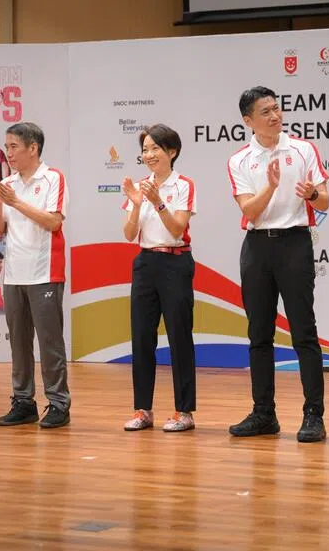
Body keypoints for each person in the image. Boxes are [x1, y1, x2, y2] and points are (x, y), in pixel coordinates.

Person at [227, 87, 329, 443]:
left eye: (276, 108)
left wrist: (313, 195)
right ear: (248, 121)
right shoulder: (239, 159)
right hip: (257, 247)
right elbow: (249, 210)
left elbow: (326, 199)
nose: (275, 115)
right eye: (265, 111)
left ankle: (313, 415)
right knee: (259, 335)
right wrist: (270, 187)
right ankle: (263, 413)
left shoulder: (303, 149)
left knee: (304, 332)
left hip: (294, 243)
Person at [0, 122, 71, 429]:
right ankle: (23, 402)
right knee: (19, 343)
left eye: (13, 147)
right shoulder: (8, 184)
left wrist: (15, 202)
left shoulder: (52, 179)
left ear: (32, 148)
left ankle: (59, 403)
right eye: (6, 147)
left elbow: (53, 222)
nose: (8, 153)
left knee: (50, 342)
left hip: (44, 272)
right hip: (14, 274)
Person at [120, 124, 198, 433]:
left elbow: (178, 228)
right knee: (141, 337)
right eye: (145, 150)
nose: (149, 155)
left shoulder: (183, 185)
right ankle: (143, 410)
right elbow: (128, 234)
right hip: (145, 262)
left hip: (175, 262)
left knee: (179, 336)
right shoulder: (140, 186)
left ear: (172, 152)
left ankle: (184, 412)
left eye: (155, 149)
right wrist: (138, 204)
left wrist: (157, 201)